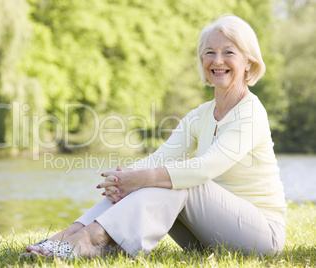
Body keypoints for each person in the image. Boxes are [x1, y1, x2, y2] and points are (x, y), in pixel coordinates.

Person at [21, 14, 286, 259]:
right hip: (208, 235)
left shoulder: (251, 113)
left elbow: (204, 169)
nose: (217, 61)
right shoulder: (201, 114)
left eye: (228, 52)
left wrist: (140, 179)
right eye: (209, 53)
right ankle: (68, 236)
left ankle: (92, 242)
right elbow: (160, 158)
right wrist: (122, 180)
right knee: (159, 175)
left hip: (261, 237)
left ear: (248, 62)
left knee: (182, 180)